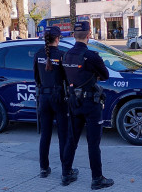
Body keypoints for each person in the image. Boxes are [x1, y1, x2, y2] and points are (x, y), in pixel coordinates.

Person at [61, 22, 114, 190]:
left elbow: (66, 78)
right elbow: (105, 75)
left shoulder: (66, 55)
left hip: (74, 102)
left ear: (74, 35)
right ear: (89, 34)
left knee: (72, 139)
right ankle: (97, 178)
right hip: (91, 103)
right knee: (93, 143)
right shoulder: (91, 56)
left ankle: (66, 173)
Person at [33, 26, 69, 179]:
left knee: (45, 134)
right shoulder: (61, 55)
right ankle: (66, 170)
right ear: (57, 39)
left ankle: (43, 168)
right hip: (58, 97)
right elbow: (67, 78)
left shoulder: (38, 55)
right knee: (63, 135)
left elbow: (36, 78)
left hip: (44, 97)